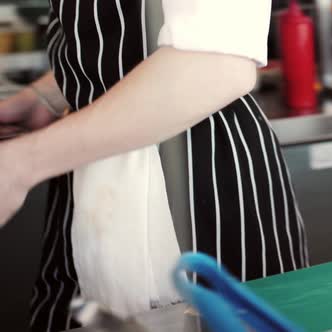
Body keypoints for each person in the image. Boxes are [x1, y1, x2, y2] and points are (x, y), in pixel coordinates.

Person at [0, 1, 309, 331]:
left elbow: (216, 63)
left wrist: (21, 165)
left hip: (193, 183)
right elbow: (121, 34)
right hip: (85, 175)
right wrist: (47, 96)